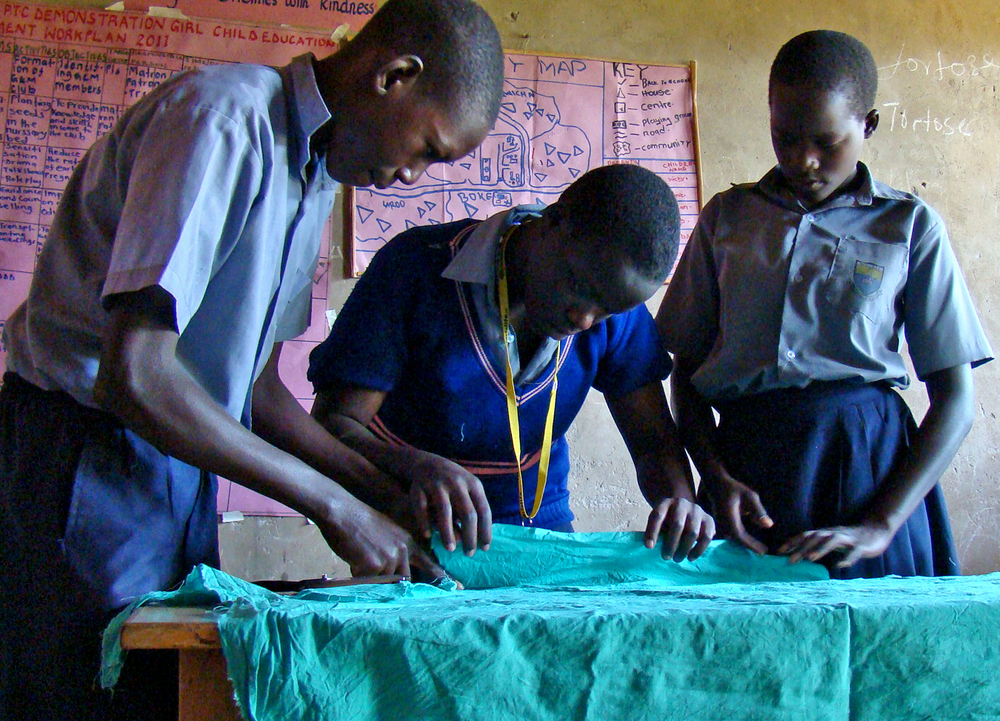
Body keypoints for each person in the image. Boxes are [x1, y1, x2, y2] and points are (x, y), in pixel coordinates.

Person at [0, 0, 504, 718]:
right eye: (428, 147)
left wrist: (378, 488)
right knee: (82, 691)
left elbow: (254, 391)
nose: (413, 175)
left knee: (160, 688)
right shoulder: (225, 121)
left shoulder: (316, 175)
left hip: (169, 462)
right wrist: (331, 504)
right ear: (395, 74)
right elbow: (135, 373)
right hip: (81, 457)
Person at [657, 30, 993, 580]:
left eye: (826, 142)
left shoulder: (908, 226)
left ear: (869, 125)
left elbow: (955, 401)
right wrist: (714, 475)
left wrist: (882, 523)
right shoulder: (727, 220)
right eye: (784, 138)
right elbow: (686, 376)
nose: (803, 160)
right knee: (745, 650)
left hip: (868, 476)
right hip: (748, 473)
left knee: (872, 652)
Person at [307, 163, 716, 562]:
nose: (584, 319)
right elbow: (333, 426)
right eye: (578, 286)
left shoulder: (613, 304)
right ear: (551, 221)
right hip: (412, 531)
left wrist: (680, 501)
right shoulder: (415, 268)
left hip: (540, 541)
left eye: (608, 310)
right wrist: (414, 466)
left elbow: (653, 442)